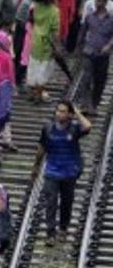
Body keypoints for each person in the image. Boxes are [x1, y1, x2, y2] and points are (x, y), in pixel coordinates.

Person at [37, 101, 91, 242]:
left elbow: (87, 126)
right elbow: (41, 147)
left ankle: (63, 228)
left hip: (69, 172)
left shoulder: (74, 128)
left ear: (69, 115)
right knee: (51, 202)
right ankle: (50, 233)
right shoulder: (48, 128)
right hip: (52, 171)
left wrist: (77, 113)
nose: (59, 114)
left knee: (67, 202)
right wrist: (36, 167)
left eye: (63, 111)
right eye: (58, 111)